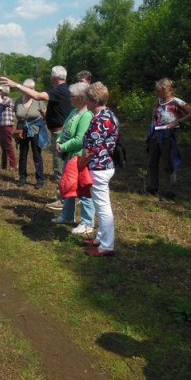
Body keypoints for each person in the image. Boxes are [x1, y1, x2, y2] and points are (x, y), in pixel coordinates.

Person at [1, 66, 72, 194]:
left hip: (57, 133)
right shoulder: (65, 90)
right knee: (60, 165)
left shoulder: (59, 90)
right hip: (54, 131)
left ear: (52, 77)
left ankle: (63, 198)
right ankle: (64, 197)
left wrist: (16, 85)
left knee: (59, 167)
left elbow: (38, 96)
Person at [79, 82, 120, 257]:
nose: (85, 102)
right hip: (103, 165)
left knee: (103, 208)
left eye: (87, 99)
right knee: (99, 204)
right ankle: (100, 238)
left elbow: (91, 149)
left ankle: (106, 246)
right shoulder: (107, 114)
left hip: (99, 167)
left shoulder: (101, 120)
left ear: (95, 101)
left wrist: (80, 164)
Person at [51, 82, 95, 234]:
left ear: (81, 98)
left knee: (83, 190)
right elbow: (64, 131)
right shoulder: (73, 112)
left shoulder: (86, 115)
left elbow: (80, 139)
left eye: (72, 96)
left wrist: (62, 147)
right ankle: (67, 216)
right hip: (69, 157)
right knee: (69, 187)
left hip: (79, 158)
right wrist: (58, 141)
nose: (69, 98)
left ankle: (87, 222)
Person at [146, 78, 191, 199]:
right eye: (158, 91)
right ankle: (153, 187)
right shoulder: (158, 101)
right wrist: (152, 126)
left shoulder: (177, 102)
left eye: (162, 91)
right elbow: (154, 115)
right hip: (155, 135)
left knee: (168, 163)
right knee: (152, 161)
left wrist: (177, 122)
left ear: (169, 89)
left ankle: (171, 191)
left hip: (168, 136)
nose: (160, 93)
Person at [14, 79, 46, 188]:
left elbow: (44, 115)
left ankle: (40, 179)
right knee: (22, 154)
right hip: (22, 130)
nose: (31, 91)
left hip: (35, 130)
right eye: (29, 89)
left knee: (37, 155)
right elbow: (16, 115)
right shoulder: (18, 101)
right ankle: (22, 178)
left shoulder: (39, 101)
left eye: (32, 88)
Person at [0, 85, 17, 171]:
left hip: (7, 124)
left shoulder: (8, 99)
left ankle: (13, 165)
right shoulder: (1, 99)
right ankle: (4, 165)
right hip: (1, 124)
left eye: (1, 91)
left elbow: (1, 104)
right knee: (3, 145)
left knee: (8, 145)